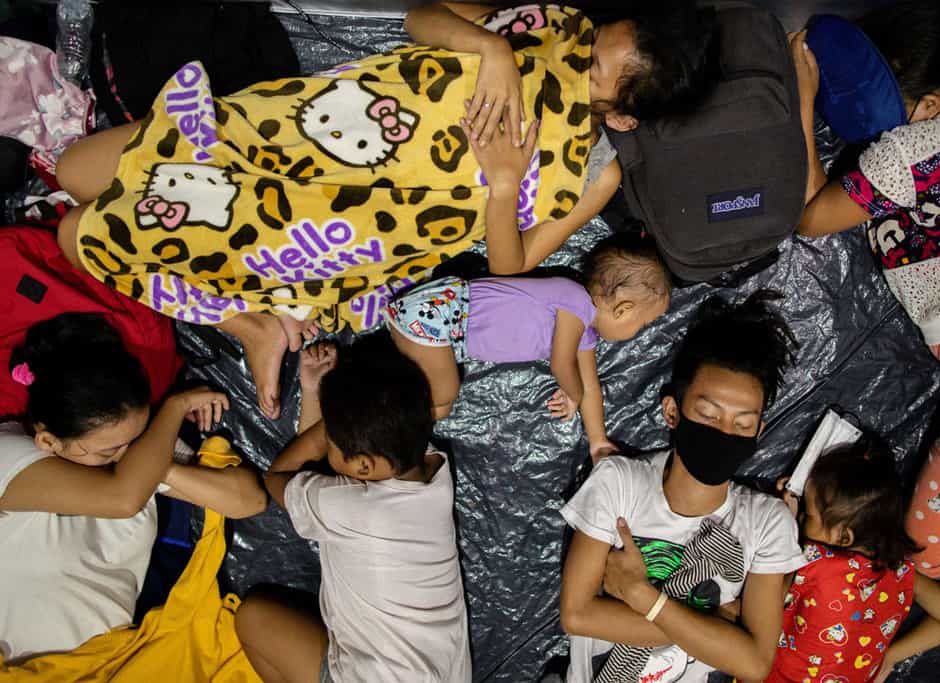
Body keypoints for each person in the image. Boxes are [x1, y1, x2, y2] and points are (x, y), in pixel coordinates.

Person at [52, 2, 715, 422]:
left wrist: (504, 185)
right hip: (290, 132)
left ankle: (247, 323)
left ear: (623, 114)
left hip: (336, 226)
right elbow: (418, 18)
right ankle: (252, 324)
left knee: (76, 234)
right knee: (71, 171)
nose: (576, 57)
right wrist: (490, 51)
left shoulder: (595, 175)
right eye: (596, 38)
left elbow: (512, 270)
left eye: (593, 69)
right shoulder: (546, 27)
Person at [791, 1, 940, 581]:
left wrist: (798, 95)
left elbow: (810, 216)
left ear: (931, 107)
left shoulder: (910, 154)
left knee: (931, 549)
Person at [558, 290, 805, 682]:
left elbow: (756, 664)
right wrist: (717, 629)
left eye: (742, 424)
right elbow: (576, 614)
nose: (725, 433)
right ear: (673, 411)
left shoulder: (768, 521)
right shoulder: (619, 482)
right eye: (708, 415)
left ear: (758, 431)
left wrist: (643, 597)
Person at [0, 313, 266, 664]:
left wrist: (158, 464)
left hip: (115, 661)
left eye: (135, 441)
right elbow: (122, 498)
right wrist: (175, 407)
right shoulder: (8, 454)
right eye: (109, 450)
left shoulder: (134, 463)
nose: (127, 453)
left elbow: (247, 499)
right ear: (49, 440)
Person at [235, 336, 471, 683]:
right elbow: (318, 477)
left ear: (363, 466)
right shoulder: (433, 469)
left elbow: (280, 476)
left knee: (252, 618)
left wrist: (322, 406)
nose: (324, 443)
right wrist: (343, 417)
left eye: (329, 441)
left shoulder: (354, 509)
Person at [386, 232, 671, 459]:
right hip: (440, 314)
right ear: (623, 308)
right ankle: (380, 418)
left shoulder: (585, 333)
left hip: (444, 334)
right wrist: (572, 392)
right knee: (442, 398)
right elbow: (562, 365)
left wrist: (597, 439)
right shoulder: (573, 300)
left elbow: (589, 385)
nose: (640, 332)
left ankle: (378, 402)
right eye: (643, 324)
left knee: (441, 407)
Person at [766, 441, 940, 683]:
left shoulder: (816, 564)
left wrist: (785, 521)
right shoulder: (900, 572)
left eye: (808, 514)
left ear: (844, 536)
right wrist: (889, 656)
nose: (802, 516)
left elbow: (766, 598)